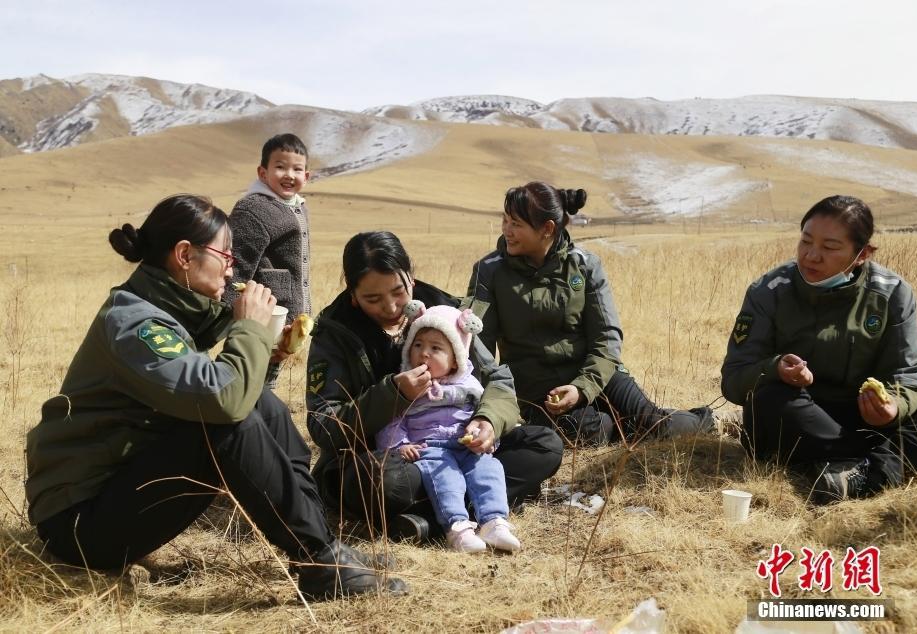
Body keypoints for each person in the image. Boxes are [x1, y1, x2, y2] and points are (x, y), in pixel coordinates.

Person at [25, 195, 405, 600]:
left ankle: (322, 545)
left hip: (114, 490)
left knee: (263, 404)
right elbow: (223, 401)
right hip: (80, 523)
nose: (231, 265)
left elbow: (221, 379)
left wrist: (258, 341)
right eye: (224, 253)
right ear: (185, 255)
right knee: (228, 423)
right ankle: (320, 562)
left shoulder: (155, 307)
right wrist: (249, 332)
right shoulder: (131, 323)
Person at [306, 231, 563, 541]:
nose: (390, 307)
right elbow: (323, 424)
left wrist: (488, 420)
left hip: (461, 445)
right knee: (376, 482)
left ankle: (429, 521)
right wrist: (394, 395)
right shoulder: (336, 332)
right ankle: (466, 509)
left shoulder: (444, 310)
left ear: (411, 278)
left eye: (398, 292)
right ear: (353, 295)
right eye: (372, 299)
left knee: (544, 446)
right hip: (394, 460)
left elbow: (496, 379)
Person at [465, 181, 714, 446]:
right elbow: (477, 348)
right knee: (593, 432)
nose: (507, 231)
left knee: (653, 424)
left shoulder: (585, 265)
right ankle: (618, 425)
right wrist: (488, 409)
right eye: (505, 221)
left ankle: (703, 419)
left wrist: (583, 388)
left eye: (516, 224)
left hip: (598, 373)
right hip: (540, 392)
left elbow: (607, 337)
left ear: (547, 229)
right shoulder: (489, 271)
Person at [721, 195, 917, 503]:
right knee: (768, 398)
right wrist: (776, 368)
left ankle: (864, 473)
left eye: (830, 247)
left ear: (862, 254)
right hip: (798, 415)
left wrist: (892, 408)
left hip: (867, 420)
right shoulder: (769, 291)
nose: (811, 256)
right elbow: (734, 379)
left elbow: (907, 375)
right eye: (805, 241)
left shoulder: (892, 294)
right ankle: (877, 462)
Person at [376, 301, 521, 553]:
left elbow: (483, 412)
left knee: (489, 469)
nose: (424, 354)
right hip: (430, 447)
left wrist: (486, 436)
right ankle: (457, 528)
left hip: (466, 446)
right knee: (446, 478)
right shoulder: (407, 382)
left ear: (455, 359)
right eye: (418, 345)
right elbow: (390, 419)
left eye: (436, 348)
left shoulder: (470, 384)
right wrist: (400, 445)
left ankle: (493, 521)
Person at [221, 133, 311, 386]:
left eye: (297, 169)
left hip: (283, 314)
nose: (289, 175)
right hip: (263, 313)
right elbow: (236, 261)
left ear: (307, 175)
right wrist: (229, 314)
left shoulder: (297, 206)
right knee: (252, 378)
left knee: (267, 378)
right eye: (280, 167)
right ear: (262, 173)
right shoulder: (254, 209)